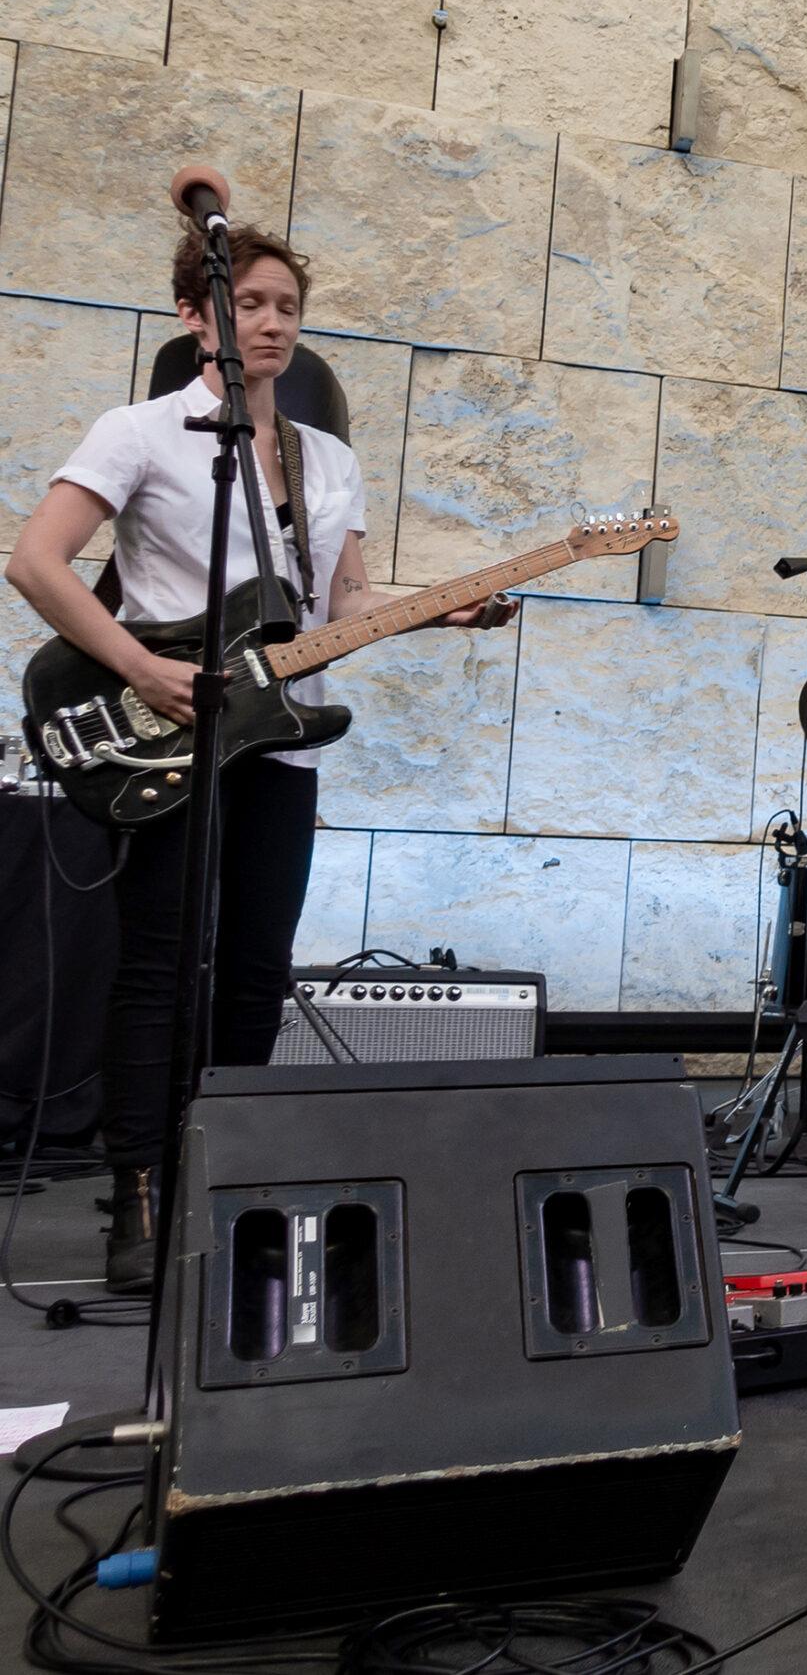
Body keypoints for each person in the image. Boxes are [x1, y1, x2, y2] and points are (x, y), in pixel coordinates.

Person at [4, 223, 513, 1292]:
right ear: (196, 316)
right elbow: (36, 562)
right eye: (249, 303)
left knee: (254, 969)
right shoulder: (140, 432)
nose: (272, 322)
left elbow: (344, 605)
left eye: (286, 305)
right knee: (156, 968)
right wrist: (140, 666)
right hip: (168, 731)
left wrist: (439, 610)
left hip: (280, 743)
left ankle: (229, 1177)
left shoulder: (327, 459)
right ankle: (138, 1192)